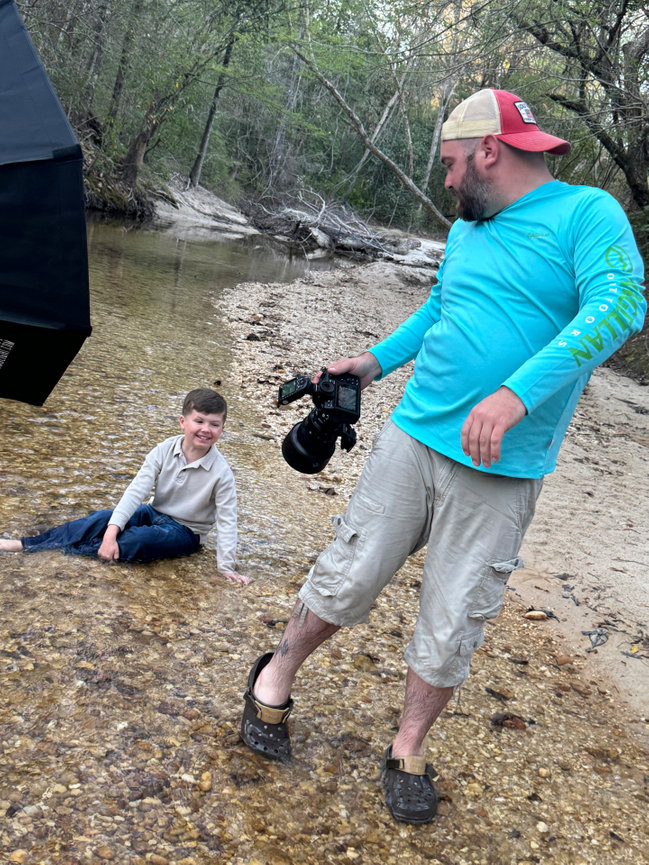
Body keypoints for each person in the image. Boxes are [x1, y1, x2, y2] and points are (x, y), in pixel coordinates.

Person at [238, 87, 646, 824]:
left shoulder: (586, 213)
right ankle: (275, 673)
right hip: (412, 439)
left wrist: (514, 394)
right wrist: (373, 362)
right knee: (347, 575)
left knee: (453, 616)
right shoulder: (467, 231)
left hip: (505, 469)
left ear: (489, 151)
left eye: (454, 164)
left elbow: (618, 307)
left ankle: (407, 746)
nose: (448, 180)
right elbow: (439, 309)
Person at [0, 387, 248, 584]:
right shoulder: (164, 449)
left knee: (136, 540)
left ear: (222, 429)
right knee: (101, 519)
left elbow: (228, 520)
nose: (206, 429)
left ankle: (66, 551)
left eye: (214, 424)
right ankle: (27, 545)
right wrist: (110, 531)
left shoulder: (221, 473)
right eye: (199, 421)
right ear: (183, 422)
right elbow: (136, 491)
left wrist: (225, 568)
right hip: (153, 512)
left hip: (187, 531)